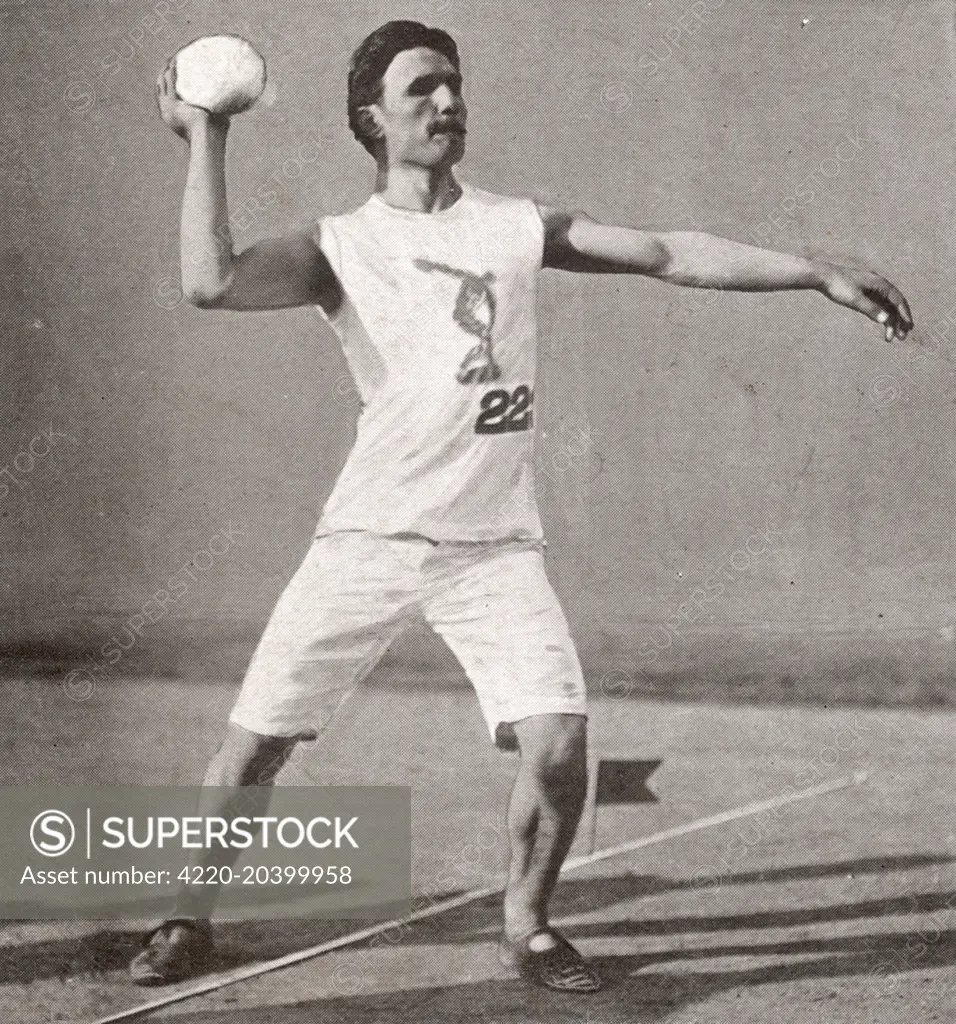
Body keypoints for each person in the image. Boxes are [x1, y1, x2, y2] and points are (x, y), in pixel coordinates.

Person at [134, 20, 912, 992]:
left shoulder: (513, 226)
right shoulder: (338, 247)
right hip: (367, 538)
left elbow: (665, 251)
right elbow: (208, 282)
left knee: (559, 743)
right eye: (421, 89)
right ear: (369, 118)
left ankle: (528, 923)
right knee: (256, 744)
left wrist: (810, 267)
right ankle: (183, 916)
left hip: (492, 548)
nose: (446, 103)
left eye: (454, 85)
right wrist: (206, 136)